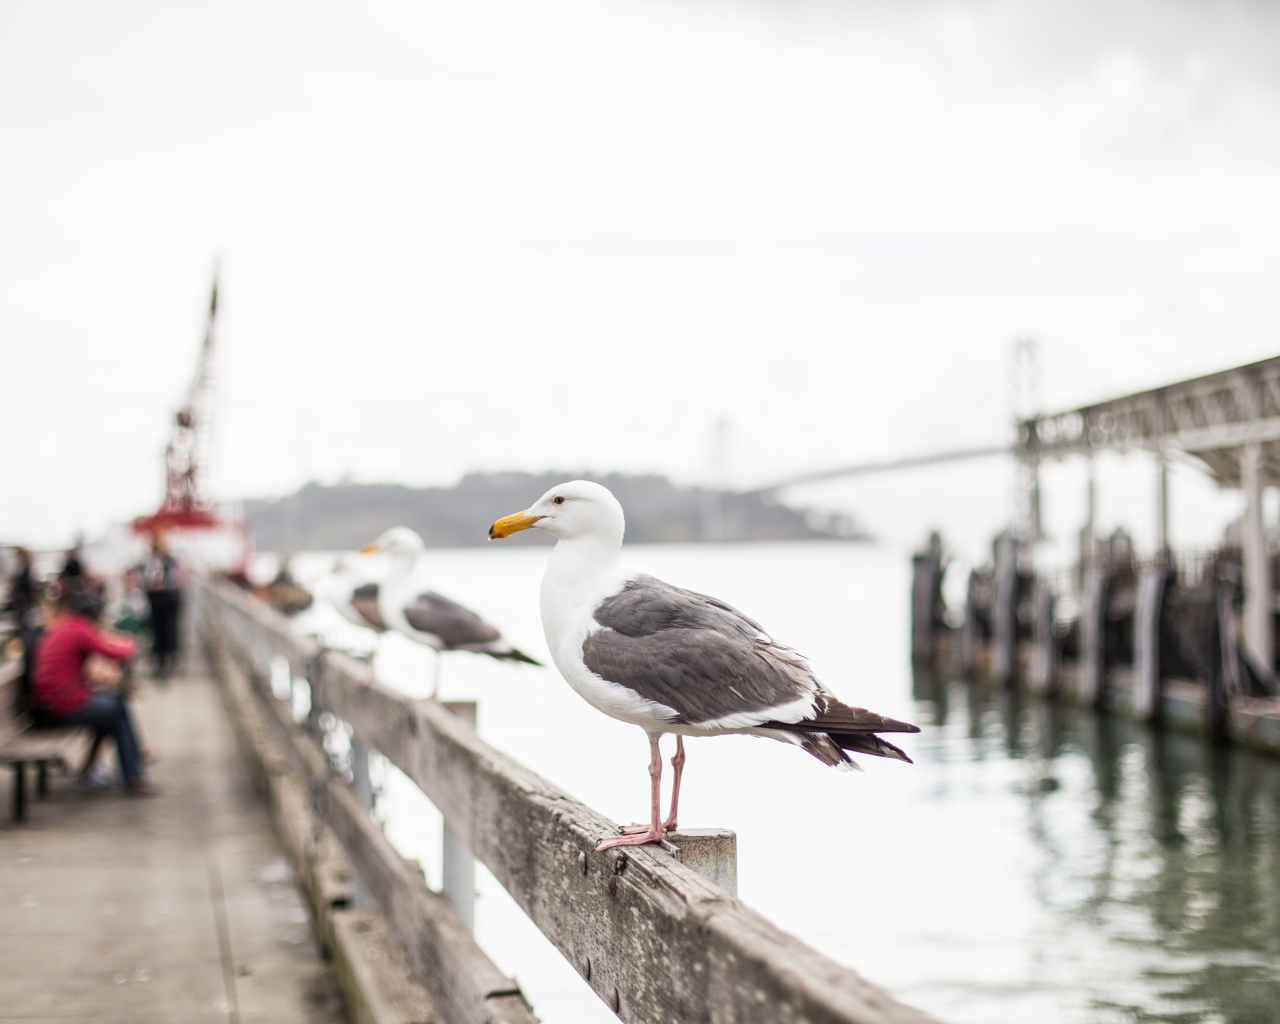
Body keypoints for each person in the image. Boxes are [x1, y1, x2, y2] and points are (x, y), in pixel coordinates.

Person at [31, 581, 155, 794]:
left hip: (50, 701)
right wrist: (131, 643)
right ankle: (133, 773)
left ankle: (114, 770)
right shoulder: (79, 628)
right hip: (62, 705)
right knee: (117, 708)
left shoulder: (65, 626)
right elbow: (114, 651)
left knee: (113, 711)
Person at [140, 534, 184, 680]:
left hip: (165, 600)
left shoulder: (167, 562)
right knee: (158, 632)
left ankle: (166, 661)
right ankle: (161, 661)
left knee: (167, 631)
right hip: (156, 600)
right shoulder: (151, 562)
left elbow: (176, 581)